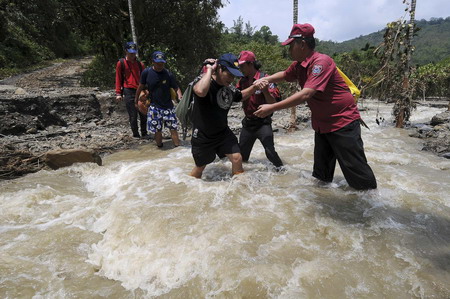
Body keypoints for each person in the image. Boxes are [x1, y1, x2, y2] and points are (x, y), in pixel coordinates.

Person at [254, 24, 377, 190]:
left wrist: (272, 107)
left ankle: (372, 207)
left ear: (302, 44)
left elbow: (306, 94)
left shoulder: (321, 62)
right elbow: (285, 75)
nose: (289, 49)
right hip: (322, 125)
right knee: (321, 175)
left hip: (342, 122)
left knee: (356, 171)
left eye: (291, 45)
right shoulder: (299, 65)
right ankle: (321, 199)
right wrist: (266, 79)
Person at [190, 53, 268, 179]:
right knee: (200, 167)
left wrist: (254, 87)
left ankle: (239, 188)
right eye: (229, 74)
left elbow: (240, 96)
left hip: (222, 133)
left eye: (234, 76)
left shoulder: (228, 87)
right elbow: (200, 91)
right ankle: (188, 189)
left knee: (237, 158)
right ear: (219, 69)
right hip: (203, 135)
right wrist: (210, 69)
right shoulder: (204, 81)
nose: (232, 79)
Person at [236, 50, 284, 169]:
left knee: (270, 153)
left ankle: (282, 174)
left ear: (250, 64)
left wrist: (265, 91)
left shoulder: (266, 79)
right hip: (248, 124)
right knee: (242, 157)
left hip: (263, 123)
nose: (240, 68)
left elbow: (274, 104)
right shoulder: (242, 81)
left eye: (242, 65)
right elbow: (238, 97)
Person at [135, 51, 182, 148]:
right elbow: (140, 87)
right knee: (157, 130)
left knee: (173, 128)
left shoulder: (168, 74)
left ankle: (178, 148)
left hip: (168, 106)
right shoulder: (146, 73)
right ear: (153, 62)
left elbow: (176, 88)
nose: (160, 65)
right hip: (154, 107)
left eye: (162, 63)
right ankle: (160, 146)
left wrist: (180, 96)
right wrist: (136, 100)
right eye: (158, 63)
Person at [115, 41, 147, 138]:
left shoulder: (140, 64)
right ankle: (136, 134)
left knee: (143, 112)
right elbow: (118, 78)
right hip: (128, 90)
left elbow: (145, 79)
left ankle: (144, 133)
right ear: (126, 51)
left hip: (140, 91)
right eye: (130, 52)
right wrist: (118, 93)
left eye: (134, 52)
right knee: (133, 115)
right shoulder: (121, 63)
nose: (132, 54)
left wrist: (147, 91)